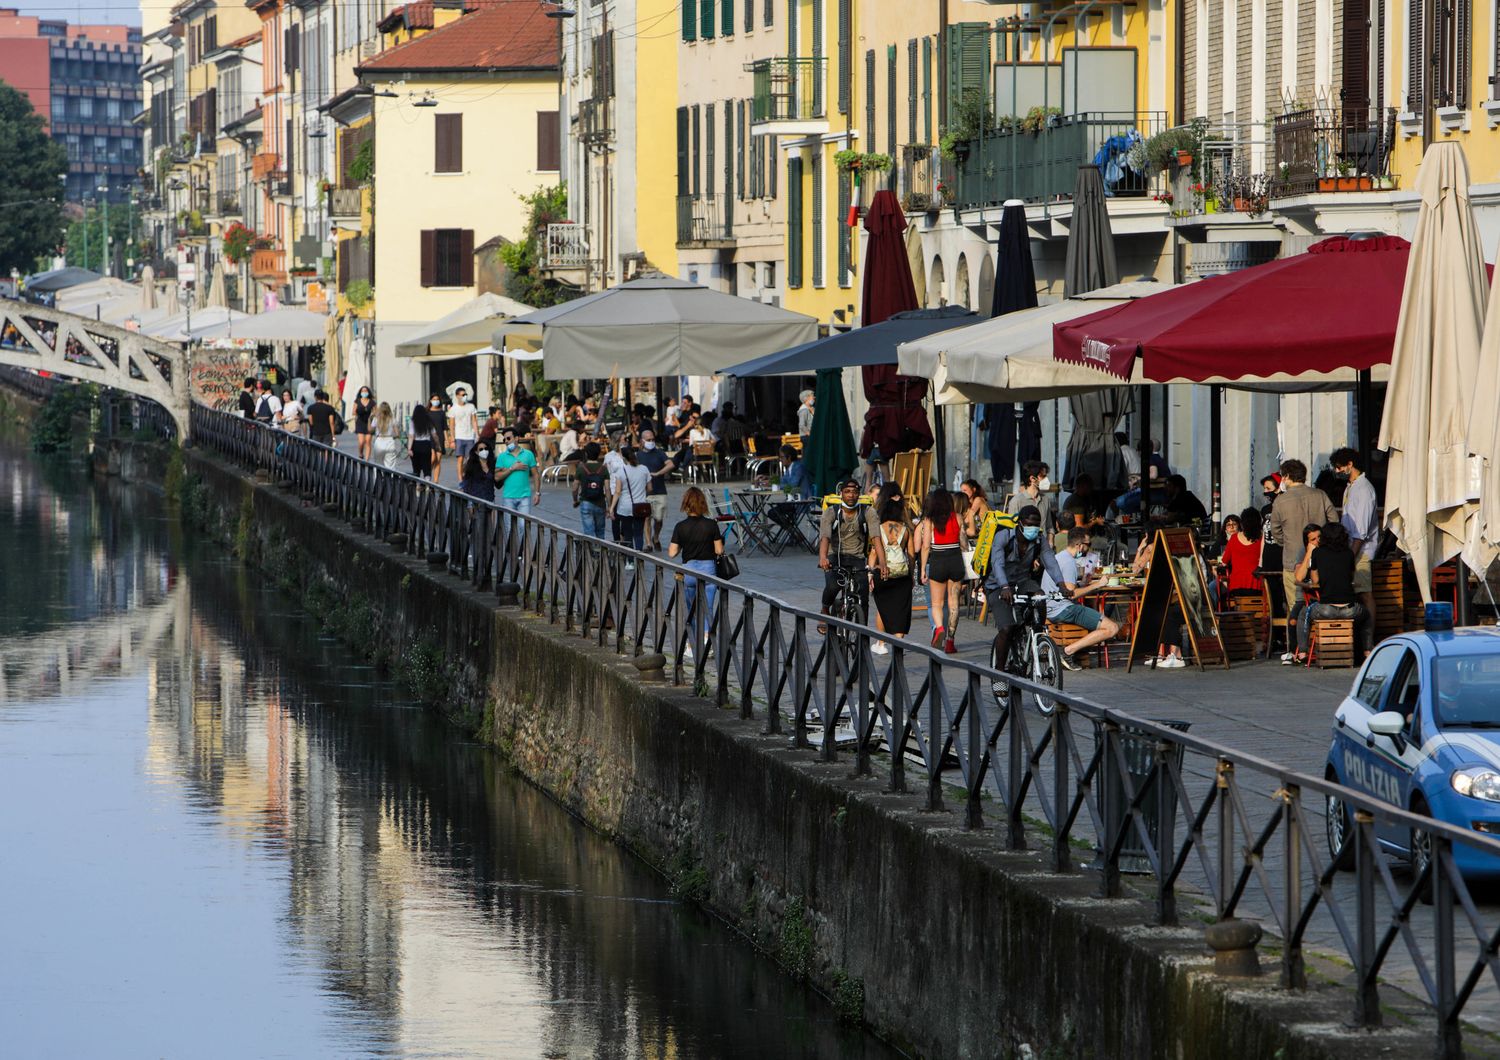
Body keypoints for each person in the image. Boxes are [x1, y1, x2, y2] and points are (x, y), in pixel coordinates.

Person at [983, 505, 1067, 671]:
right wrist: (1004, 586)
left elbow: (1050, 561)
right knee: (1007, 629)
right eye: (1029, 525)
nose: (1033, 529)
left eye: (1036, 526)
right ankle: (999, 673)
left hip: (1022, 581)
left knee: (1040, 596)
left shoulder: (1039, 540)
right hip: (997, 585)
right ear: (1020, 524)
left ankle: (1038, 638)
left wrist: (1062, 584)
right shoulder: (1003, 537)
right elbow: (997, 564)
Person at [1269, 458, 1337, 627]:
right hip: (1322, 561)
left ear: (1287, 476)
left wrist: (1286, 542)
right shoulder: (1320, 495)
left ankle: (1298, 648)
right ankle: (1319, 642)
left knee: (1295, 608)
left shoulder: (1280, 501)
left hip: (1293, 561)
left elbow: (1275, 530)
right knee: (1324, 604)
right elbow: (1334, 523)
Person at [1044, 527, 1121, 671]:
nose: (1089, 548)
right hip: (1064, 609)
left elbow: (1066, 587)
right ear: (1079, 545)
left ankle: (1071, 651)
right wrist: (1098, 584)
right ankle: (1068, 652)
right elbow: (1071, 594)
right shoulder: (1069, 562)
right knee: (1112, 628)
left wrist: (1083, 583)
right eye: (1088, 544)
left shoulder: (1059, 557)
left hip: (1051, 607)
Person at [1291, 522, 1366, 664]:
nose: (1317, 541)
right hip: (1311, 598)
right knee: (1296, 616)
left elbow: (1317, 579)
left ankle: (1305, 652)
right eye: (1312, 539)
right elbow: (1299, 578)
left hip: (1324, 600)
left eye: (1319, 537)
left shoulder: (1328, 553)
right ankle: (1301, 651)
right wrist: (1309, 553)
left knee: (1306, 614)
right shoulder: (1305, 552)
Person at [817, 479, 887, 633]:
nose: (851, 495)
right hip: (834, 555)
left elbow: (876, 539)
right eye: (847, 492)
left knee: (863, 591)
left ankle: (863, 631)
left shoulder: (868, 512)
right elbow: (825, 538)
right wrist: (823, 558)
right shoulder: (831, 512)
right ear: (841, 493)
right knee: (834, 585)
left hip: (857, 556)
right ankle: (824, 610)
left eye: (855, 492)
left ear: (859, 494)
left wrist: (882, 562)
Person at [1331, 446, 1379, 650]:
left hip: (1362, 551)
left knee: (1364, 593)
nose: (1337, 471)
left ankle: (1368, 642)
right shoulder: (1351, 487)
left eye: (1340, 467)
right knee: (1356, 593)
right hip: (1351, 549)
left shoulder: (1364, 489)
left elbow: (1361, 529)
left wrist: (1350, 556)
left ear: (1350, 464)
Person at [669, 486, 725, 635]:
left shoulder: (680, 527)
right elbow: (719, 550)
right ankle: (708, 639)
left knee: (691, 609)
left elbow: (672, 553)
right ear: (702, 504)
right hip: (708, 570)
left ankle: (691, 643)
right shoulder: (711, 524)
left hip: (690, 571)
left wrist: (683, 544)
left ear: (686, 505)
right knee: (709, 608)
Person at [918, 489, 968, 654]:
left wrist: (923, 569)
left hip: (938, 560)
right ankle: (950, 641)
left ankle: (939, 628)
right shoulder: (958, 517)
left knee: (936, 603)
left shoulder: (929, 520)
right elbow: (964, 544)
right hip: (955, 560)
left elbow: (926, 546)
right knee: (953, 604)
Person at [1128, 535, 1188, 667]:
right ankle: (1160, 654)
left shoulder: (1164, 553)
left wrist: (1142, 550)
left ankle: (1176, 655)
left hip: (1187, 600)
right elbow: (1136, 569)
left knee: (1165, 612)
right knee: (1158, 610)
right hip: (1175, 598)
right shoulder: (1166, 553)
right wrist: (1140, 550)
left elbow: (1136, 568)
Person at [869, 488, 915, 656]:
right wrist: (911, 576)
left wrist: (869, 574)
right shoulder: (906, 530)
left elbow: (874, 553)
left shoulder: (878, 529)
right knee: (901, 609)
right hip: (901, 574)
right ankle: (899, 642)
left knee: (883, 608)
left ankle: (881, 643)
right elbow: (911, 556)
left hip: (883, 573)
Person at [635, 428, 675, 551]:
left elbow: (671, 464)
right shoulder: (638, 455)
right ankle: (648, 543)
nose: (651, 441)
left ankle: (655, 537)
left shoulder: (659, 452)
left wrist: (658, 473)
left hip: (660, 490)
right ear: (642, 441)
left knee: (659, 519)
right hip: (644, 492)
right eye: (648, 440)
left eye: (653, 439)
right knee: (646, 517)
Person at [611, 445, 652, 564]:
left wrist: (612, 508)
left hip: (625, 507)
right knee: (639, 534)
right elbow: (650, 488)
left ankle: (630, 562)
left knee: (628, 535)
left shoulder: (621, 471)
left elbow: (617, 492)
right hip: (640, 506)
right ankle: (639, 560)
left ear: (624, 458)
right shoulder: (644, 469)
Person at [494, 427, 540, 518]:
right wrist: (512, 468)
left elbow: (535, 474)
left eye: (508, 438)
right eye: (504, 439)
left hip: (524, 497)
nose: (506, 441)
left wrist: (537, 493)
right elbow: (497, 477)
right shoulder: (502, 457)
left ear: (516, 438)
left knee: (522, 527)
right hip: (508, 497)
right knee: (508, 528)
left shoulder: (528, 454)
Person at [1220, 508, 1265, 598]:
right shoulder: (1262, 538)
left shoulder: (1234, 538)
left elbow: (1224, 561)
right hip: (1258, 584)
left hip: (1237, 585)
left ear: (1242, 522)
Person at [572, 441, 611, 539]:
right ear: (599, 454)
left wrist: (575, 500)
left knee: (589, 533)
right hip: (600, 503)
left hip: (586, 502)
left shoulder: (581, 468)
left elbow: (575, 487)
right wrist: (609, 506)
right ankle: (600, 553)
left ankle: (591, 553)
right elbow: (607, 489)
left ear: (586, 454)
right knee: (600, 532)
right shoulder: (603, 469)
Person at [1006, 461, 1056, 531]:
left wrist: (1050, 540)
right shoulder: (1016, 501)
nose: (1046, 480)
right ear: (1032, 478)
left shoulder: (1045, 500)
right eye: (1043, 477)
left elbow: (1049, 527)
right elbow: (1012, 530)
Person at [446, 387, 479, 478]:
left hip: (470, 436)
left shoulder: (471, 406)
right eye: (462, 395)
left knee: (470, 459)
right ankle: (460, 479)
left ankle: (468, 476)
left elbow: (474, 421)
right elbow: (451, 425)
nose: (465, 396)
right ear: (457, 396)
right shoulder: (453, 409)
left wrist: (477, 434)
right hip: (459, 436)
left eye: (465, 394)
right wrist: (452, 439)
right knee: (460, 459)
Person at [408, 405, 436, 479]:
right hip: (426, 445)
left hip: (416, 445)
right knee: (427, 467)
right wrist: (438, 445)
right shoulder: (429, 420)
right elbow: (434, 434)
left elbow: (411, 435)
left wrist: (409, 448)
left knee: (416, 468)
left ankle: (417, 486)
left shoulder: (413, 421)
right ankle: (427, 484)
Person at [371, 402, 401, 469]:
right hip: (389, 442)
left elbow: (370, 430)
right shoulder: (392, 419)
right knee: (391, 466)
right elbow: (397, 434)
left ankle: (378, 478)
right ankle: (391, 479)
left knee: (378, 465)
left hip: (379, 442)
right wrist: (393, 436)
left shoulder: (376, 419)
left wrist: (370, 418)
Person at [352, 385, 375, 461]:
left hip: (369, 423)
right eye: (363, 391)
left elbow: (376, 412)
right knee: (361, 442)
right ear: (360, 392)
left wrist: (372, 414)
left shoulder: (372, 402)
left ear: (368, 392)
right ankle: (361, 454)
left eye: (365, 391)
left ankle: (367, 460)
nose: (364, 392)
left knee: (368, 441)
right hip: (360, 422)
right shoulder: (357, 401)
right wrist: (358, 413)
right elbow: (353, 412)